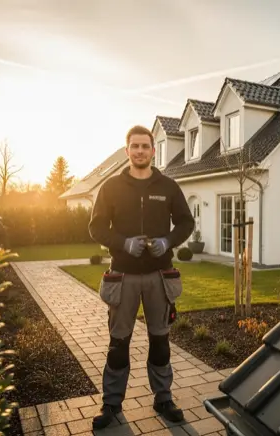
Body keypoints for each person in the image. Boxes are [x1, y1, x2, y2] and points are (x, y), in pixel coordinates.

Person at [88, 125, 195, 429]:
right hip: (123, 277)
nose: (139, 151)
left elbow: (186, 223)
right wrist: (123, 243)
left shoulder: (168, 186)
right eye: (134, 146)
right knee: (118, 344)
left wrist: (168, 242)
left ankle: (163, 398)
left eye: (145, 146)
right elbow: (96, 228)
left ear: (153, 150)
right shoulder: (110, 188)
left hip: (160, 277)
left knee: (160, 341)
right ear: (127, 151)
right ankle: (111, 405)